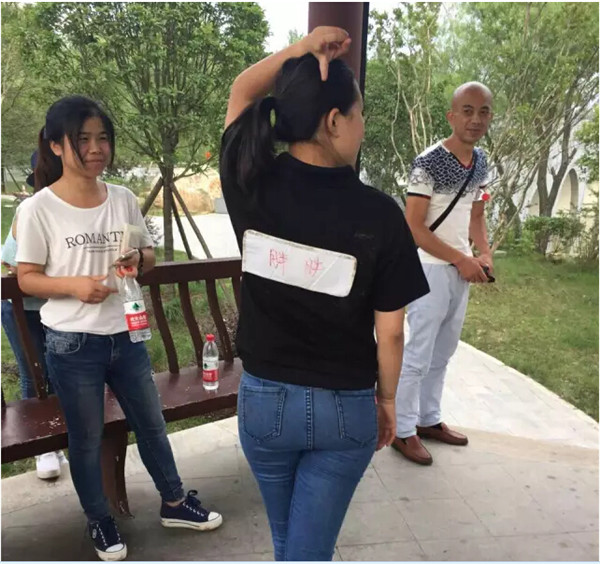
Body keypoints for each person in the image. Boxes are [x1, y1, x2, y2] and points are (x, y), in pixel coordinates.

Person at [220, 27, 429, 561]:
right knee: (306, 552)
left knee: (292, 545)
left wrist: (300, 49)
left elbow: (242, 91)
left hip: (264, 405)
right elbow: (391, 333)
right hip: (345, 409)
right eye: (359, 114)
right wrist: (387, 401)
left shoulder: (249, 180)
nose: (362, 126)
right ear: (334, 120)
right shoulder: (380, 215)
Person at [16, 96, 222, 562]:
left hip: (127, 335)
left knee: (151, 423)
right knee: (87, 438)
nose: (96, 148)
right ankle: (100, 519)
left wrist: (137, 259)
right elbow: (27, 277)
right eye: (83, 139)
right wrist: (73, 286)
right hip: (72, 343)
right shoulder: (39, 209)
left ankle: (174, 502)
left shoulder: (123, 198)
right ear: (55, 145)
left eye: (103, 138)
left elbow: (147, 256)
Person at [392, 81, 494, 465]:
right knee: (419, 352)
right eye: (467, 111)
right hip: (429, 269)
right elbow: (414, 228)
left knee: (444, 350)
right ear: (451, 116)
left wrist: (483, 253)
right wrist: (460, 259)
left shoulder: (481, 162)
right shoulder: (428, 162)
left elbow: (477, 215)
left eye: (483, 112)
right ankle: (402, 430)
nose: (475, 119)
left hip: (460, 271)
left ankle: (428, 419)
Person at [1, 150, 67, 480]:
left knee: (56, 371)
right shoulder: (30, 210)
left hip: (53, 306)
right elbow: (13, 267)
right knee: (34, 372)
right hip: (21, 308)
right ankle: (43, 447)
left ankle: (56, 436)